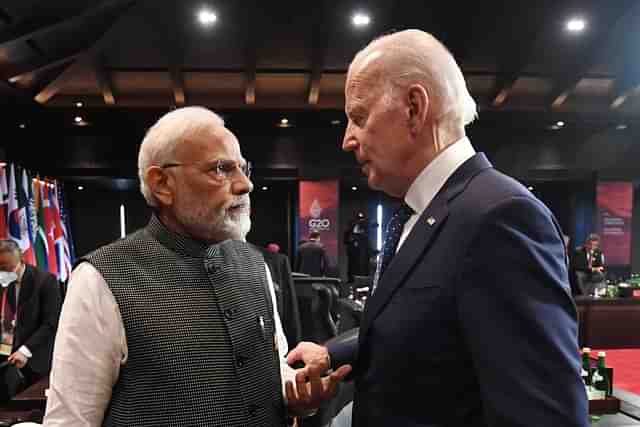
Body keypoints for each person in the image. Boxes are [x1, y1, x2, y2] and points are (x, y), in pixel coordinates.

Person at [287, 30, 588, 426]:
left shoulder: (501, 217)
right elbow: (427, 328)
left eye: (359, 117)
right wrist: (332, 355)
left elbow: (547, 417)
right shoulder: (421, 211)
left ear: (414, 107)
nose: (347, 139)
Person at [43, 107, 349, 426]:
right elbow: (70, 420)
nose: (245, 185)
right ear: (162, 183)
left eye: (244, 169)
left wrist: (298, 397)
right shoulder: (101, 279)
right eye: (221, 169)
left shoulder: (256, 264)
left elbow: (273, 371)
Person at [0, 240, 61, 400]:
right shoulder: (6, 283)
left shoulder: (46, 281)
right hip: (11, 362)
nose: (3, 272)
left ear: (20, 259)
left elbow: (51, 323)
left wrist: (25, 350)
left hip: (39, 361)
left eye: (7, 267)